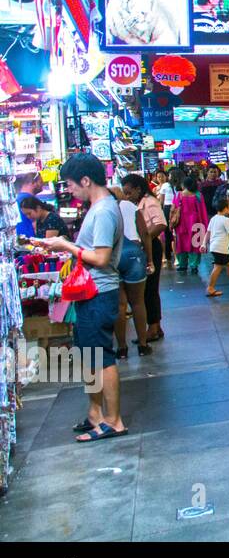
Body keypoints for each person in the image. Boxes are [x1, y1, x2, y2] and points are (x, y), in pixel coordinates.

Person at [44, 154, 127, 442]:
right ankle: (96, 414)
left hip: (99, 292)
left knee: (102, 356)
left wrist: (66, 245)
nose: (69, 191)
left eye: (70, 184)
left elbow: (102, 258)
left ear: (86, 180)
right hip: (90, 291)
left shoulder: (103, 211)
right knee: (89, 355)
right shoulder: (98, 207)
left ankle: (114, 421)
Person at [121, 174, 168, 343]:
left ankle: (153, 327)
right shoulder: (138, 203)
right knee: (148, 288)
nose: (127, 197)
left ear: (138, 189)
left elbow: (161, 223)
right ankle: (155, 326)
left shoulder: (149, 202)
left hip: (151, 247)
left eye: (128, 193)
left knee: (149, 288)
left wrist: (145, 238)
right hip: (145, 246)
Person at [114, 185, 152, 359]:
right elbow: (144, 233)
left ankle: (122, 348)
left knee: (120, 306)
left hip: (113, 255)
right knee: (138, 302)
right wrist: (150, 259)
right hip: (133, 253)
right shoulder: (130, 206)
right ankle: (143, 345)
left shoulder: (102, 208)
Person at [171, 176, 209, 273]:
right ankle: (194, 265)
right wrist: (205, 225)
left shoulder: (178, 195)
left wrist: (171, 223)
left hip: (181, 224)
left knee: (181, 244)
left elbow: (173, 210)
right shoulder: (198, 195)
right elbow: (203, 211)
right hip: (195, 223)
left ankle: (182, 264)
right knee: (195, 244)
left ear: (183, 185)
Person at [14, 173, 47, 238]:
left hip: (22, 239)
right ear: (33, 183)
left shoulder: (17, 199)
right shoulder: (28, 200)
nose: (42, 185)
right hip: (32, 239)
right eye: (41, 182)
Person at [157, 168, 177, 267]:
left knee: (168, 232)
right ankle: (176, 255)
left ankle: (168, 256)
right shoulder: (179, 186)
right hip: (176, 208)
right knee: (174, 232)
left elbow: (161, 201)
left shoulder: (165, 185)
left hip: (167, 208)